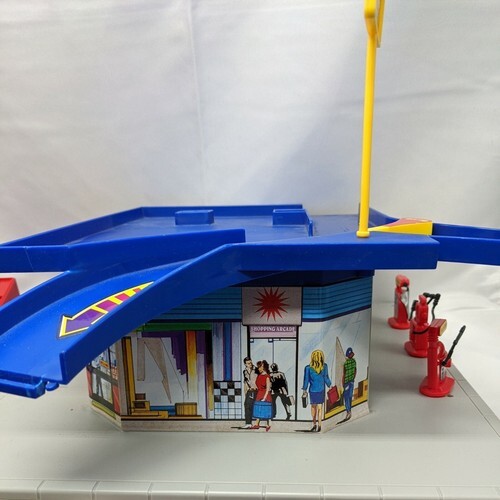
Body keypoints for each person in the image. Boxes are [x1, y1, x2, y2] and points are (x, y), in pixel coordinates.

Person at [302, 349, 332, 432]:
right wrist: (329, 385)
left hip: (312, 390)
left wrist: (304, 389)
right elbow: (326, 377)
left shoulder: (308, 368)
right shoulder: (324, 366)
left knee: (313, 407)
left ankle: (314, 424)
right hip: (321, 390)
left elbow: (306, 380)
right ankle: (320, 425)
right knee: (320, 408)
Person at [251, 360, 273, 432]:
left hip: (265, 395)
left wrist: (264, 397)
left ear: (264, 367)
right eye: (258, 367)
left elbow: (268, 389)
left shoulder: (267, 377)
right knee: (258, 409)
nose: (259, 368)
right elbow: (257, 385)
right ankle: (257, 424)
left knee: (266, 409)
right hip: (259, 394)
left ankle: (268, 425)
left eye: (261, 367)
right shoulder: (259, 376)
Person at [342, 347, 357, 422]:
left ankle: (348, 412)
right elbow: (355, 371)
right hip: (351, 382)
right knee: (350, 397)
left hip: (347, 382)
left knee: (346, 397)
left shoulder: (346, 363)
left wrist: (343, 383)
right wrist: (353, 378)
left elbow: (344, 374)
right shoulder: (354, 361)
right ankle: (349, 411)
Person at [242, 356, 257, 429]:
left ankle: (252, 423)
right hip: (249, 390)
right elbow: (245, 382)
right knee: (247, 405)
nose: (250, 364)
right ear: (245, 364)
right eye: (248, 363)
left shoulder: (256, 369)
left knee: (253, 406)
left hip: (256, 390)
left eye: (251, 362)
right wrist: (245, 392)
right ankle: (248, 423)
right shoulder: (244, 372)